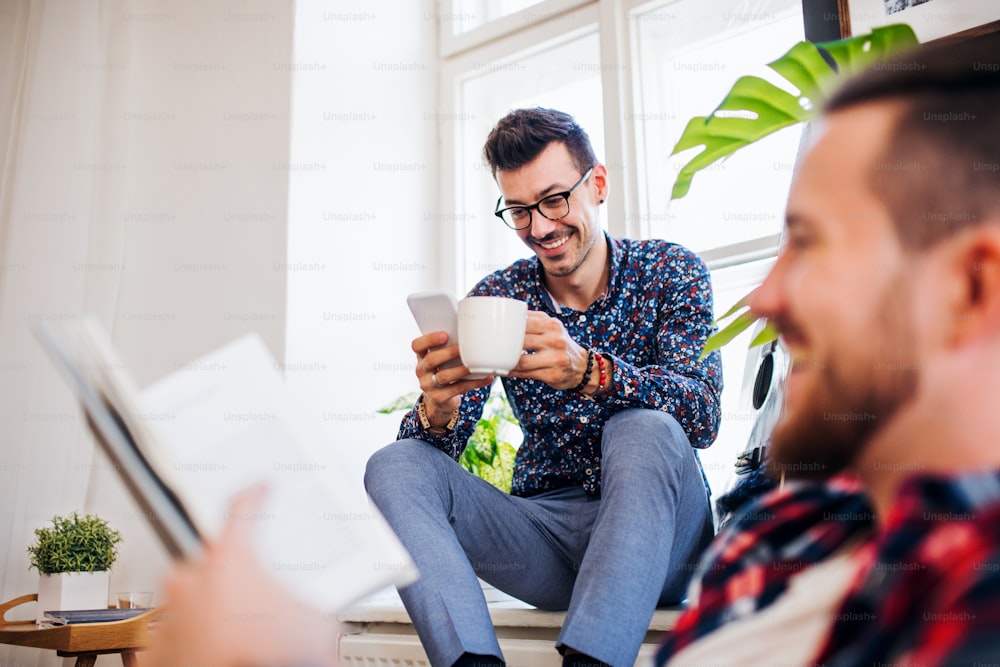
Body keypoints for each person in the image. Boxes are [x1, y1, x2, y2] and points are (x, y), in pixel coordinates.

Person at [654, 30, 1000, 666]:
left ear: (970, 286)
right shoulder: (778, 533)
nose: (763, 299)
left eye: (810, 244)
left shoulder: (975, 591)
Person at [364, 108, 723, 667]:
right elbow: (435, 461)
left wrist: (591, 372)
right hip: (548, 538)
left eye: (554, 200)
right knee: (394, 464)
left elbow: (702, 414)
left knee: (642, 425)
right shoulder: (501, 295)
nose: (540, 227)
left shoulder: (670, 270)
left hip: (663, 539)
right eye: (519, 210)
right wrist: (440, 408)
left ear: (597, 184)